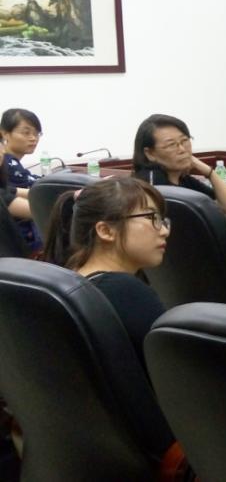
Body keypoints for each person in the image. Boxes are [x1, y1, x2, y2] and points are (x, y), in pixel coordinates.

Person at [43, 176, 169, 370]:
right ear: (106, 230)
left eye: (162, 220)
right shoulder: (124, 292)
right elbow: (177, 368)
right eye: (151, 217)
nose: (164, 231)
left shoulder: (76, 279)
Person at [132, 113, 226, 217]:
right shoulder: (151, 185)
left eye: (184, 140)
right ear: (150, 154)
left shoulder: (182, 179)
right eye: (171, 145)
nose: (182, 149)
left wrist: (209, 172)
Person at [1, 108, 43, 251]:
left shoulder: (12, 163)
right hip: (20, 247)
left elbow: (24, 188)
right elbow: (36, 193)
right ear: (5, 134)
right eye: (26, 132)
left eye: (37, 133)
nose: (33, 138)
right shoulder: (9, 163)